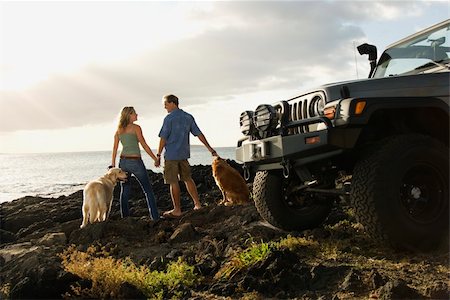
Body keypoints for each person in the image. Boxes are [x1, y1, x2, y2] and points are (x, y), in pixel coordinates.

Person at [155, 94, 217, 218]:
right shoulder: (188, 117)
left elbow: (163, 138)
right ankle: (198, 204)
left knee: (173, 182)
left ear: (173, 103)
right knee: (188, 179)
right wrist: (210, 149)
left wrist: (158, 155)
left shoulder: (169, 118)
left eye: (166, 104)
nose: (165, 107)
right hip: (183, 154)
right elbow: (199, 134)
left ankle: (177, 210)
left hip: (171, 155)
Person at [111, 106, 159, 220]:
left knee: (125, 191)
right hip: (135, 162)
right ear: (129, 115)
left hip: (123, 162)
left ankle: (125, 218)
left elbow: (114, 148)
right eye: (135, 113)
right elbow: (144, 145)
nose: (137, 115)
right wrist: (155, 158)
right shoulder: (136, 128)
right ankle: (155, 218)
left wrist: (113, 165)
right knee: (148, 190)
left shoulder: (118, 130)